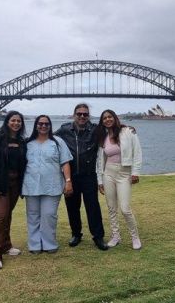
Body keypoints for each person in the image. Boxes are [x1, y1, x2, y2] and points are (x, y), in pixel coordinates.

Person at [55, 103, 108, 250]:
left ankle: (98, 237)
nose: (82, 116)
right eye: (79, 114)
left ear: (88, 116)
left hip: (89, 175)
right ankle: (76, 234)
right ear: (74, 115)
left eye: (85, 114)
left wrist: (127, 128)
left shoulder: (96, 129)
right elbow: (47, 138)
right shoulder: (65, 130)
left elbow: (112, 130)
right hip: (71, 176)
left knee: (93, 207)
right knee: (72, 206)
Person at [22, 115, 73, 254]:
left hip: (52, 185)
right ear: (35, 125)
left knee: (49, 215)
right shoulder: (27, 143)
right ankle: (35, 245)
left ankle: (49, 244)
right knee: (33, 215)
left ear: (50, 126)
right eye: (40, 123)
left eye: (46, 124)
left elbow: (65, 162)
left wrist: (68, 181)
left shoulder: (57, 142)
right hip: (30, 185)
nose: (43, 126)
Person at [0, 111, 27, 270]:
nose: (16, 123)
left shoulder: (21, 141)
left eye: (19, 121)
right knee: (1, 215)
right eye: (13, 120)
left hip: (15, 184)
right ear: (7, 122)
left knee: (8, 213)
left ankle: (6, 246)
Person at [95, 109, 142, 250]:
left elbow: (137, 152)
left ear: (115, 118)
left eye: (110, 117)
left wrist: (135, 172)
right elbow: (100, 160)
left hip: (124, 173)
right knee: (111, 208)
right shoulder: (102, 137)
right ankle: (116, 236)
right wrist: (100, 180)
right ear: (102, 121)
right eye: (104, 118)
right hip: (108, 173)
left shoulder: (127, 131)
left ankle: (135, 237)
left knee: (125, 209)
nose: (107, 120)